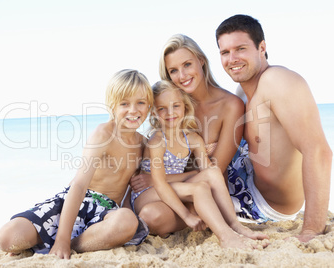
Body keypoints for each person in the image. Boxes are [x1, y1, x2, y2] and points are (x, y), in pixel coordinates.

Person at [0, 69, 154, 259]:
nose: (133, 110)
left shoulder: (144, 145)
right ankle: (56, 240)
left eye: (141, 103)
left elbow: (130, 191)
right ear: (112, 106)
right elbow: (79, 184)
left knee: (127, 221)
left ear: (149, 106)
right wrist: (61, 237)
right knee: (6, 238)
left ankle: (69, 245)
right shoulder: (104, 134)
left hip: (106, 211)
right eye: (125, 104)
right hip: (76, 200)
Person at [215, 14, 332, 242]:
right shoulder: (243, 92)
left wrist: (311, 230)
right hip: (246, 176)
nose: (232, 58)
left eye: (240, 49)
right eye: (225, 52)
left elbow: (319, 151)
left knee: (182, 192)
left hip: (263, 205)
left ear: (262, 48)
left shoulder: (278, 81)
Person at [128, 34, 245, 237]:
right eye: (173, 70)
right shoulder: (169, 113)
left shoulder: (230, 106)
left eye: (187, 64)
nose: (182, 75)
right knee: (151, 215)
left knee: (201, 189)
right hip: (175, 191)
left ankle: (228, 225)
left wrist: (156, 180)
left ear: (201, 61)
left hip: (200, 189)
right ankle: (206, 217)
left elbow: (213, 170)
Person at [130, 80, 267, 249]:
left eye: (175, 106)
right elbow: (159, 184)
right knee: (198, 189)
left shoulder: (192, 139)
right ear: (153, 113)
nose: (170, 113)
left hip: (172, 191)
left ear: (185, 107)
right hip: (148, 193)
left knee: (213, 172)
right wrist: (187, 215)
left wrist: (195, 176)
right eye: (161, 108)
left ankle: (235, 225)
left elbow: (209, 172)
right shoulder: (157, 141)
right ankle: (225, 236)